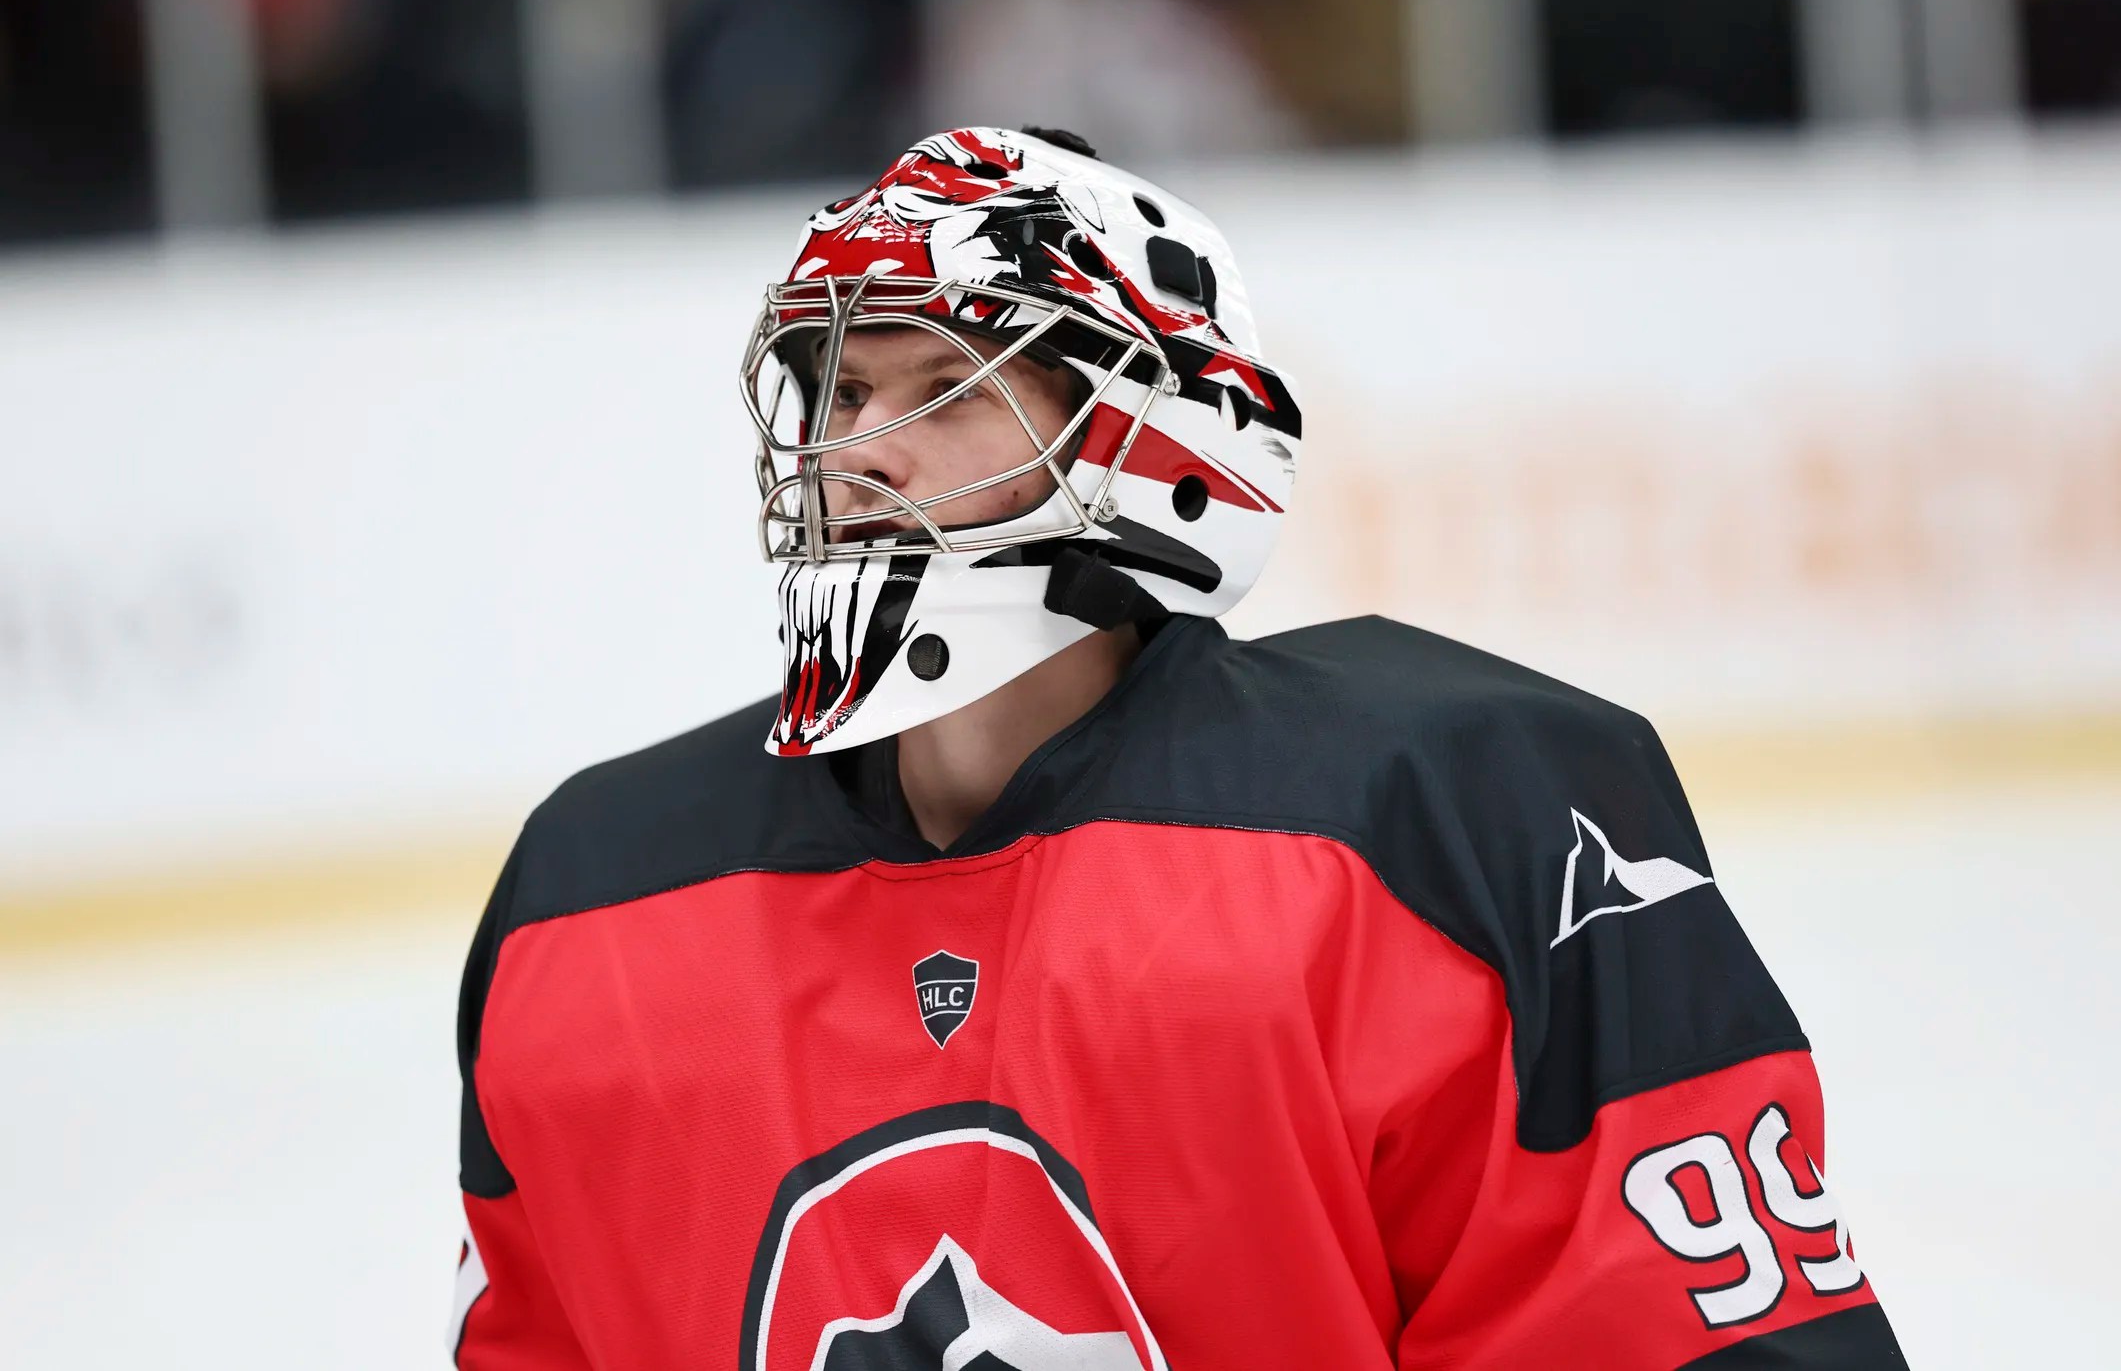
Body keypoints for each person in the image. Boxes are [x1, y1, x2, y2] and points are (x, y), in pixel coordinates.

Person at [450, 127, 1904, 1368]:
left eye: (938, 384)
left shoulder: (1435, 819)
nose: (849, 452)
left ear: (1136, 433)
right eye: (836, 390)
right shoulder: (586, 898)